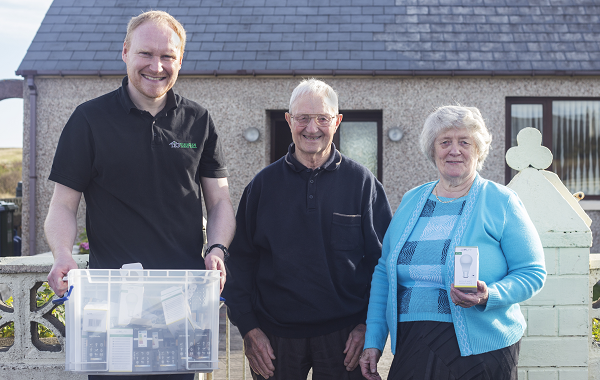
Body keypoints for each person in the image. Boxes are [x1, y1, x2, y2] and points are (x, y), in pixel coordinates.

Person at [45, 11, 235, 318]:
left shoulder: (198, 120)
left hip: (182, 296)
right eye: (145, 53)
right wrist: (63, 253)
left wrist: (217, 249)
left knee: (179, 369)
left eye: (167, 56)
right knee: (115, 367)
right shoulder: (89, 120)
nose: (156, 66)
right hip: (112, 297)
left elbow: (220, 202)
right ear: (125, 52)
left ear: (180, 60)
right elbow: (63, 206)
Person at [359, 105, 546, 380]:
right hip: (414, 343)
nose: (454, 150)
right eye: (445, 142)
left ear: (478, 150)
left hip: (481, 348)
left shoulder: (501, 201)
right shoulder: (412, 200)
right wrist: (373, 341)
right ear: (433, 150)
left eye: (464, 142)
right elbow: (384, 272)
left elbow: (532, 272)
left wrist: (489, 295)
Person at [222, 78, 393, 380]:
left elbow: (384, 264)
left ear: (337, 122)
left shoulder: (362, 184)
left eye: (322, 118)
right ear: (289, 120)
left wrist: (369, 326)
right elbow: (240, 262)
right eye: (302, 118)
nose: (311, 128)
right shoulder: (262, 186)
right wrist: (249, 329)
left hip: (346, 338)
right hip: (275, 339)